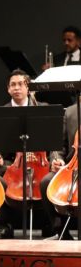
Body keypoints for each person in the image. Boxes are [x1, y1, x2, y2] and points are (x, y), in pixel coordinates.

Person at [38, 100, 78, 240]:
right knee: (47, 182)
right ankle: (61, 232)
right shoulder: (70, 111)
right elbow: (59, 145)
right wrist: (57, 159)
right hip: (73, 167)